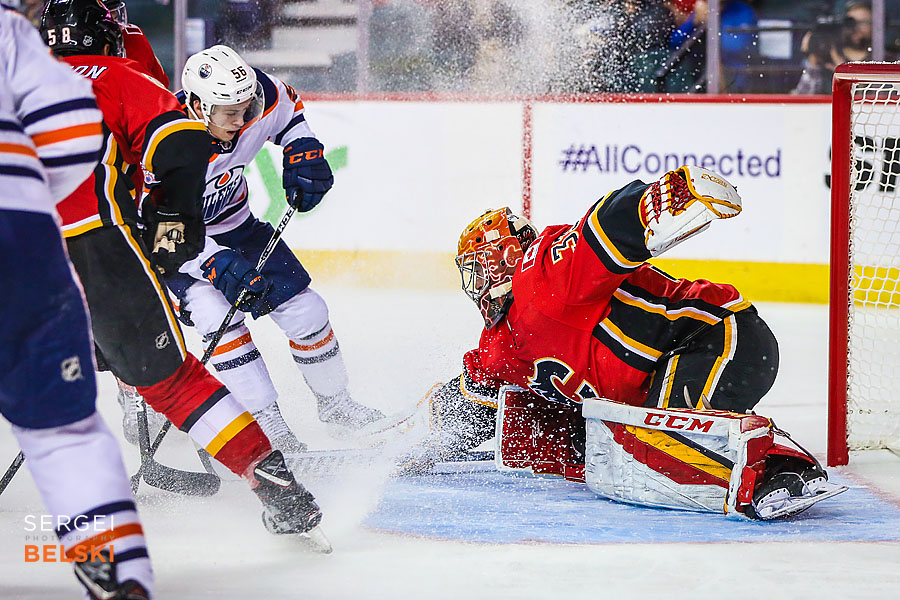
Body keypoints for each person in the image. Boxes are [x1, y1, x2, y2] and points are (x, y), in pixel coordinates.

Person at [400, 165, 845, 520]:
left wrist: (658, 201)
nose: (473, 284)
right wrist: (415, 440)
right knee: (626, 450)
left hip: (719, 338)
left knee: (657, 445)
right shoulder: (501, 342)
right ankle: (745, 447)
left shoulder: (540, 274)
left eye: (477, 269)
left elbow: (602, 232)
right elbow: (474, 395)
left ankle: (784, 469)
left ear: (502, 262)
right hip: (670, 369)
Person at [38, 0, 326, 543]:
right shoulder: (120, 72)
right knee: (172, 379)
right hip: (96, 247)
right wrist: (179, 232)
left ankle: (126, 394)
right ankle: (273, 482)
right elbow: (178, 145)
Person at [151, 44, 386, 455]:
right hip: (178, 252)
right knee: (218, 318)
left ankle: (338, 407)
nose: (243, 121)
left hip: (238, 227)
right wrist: (210, 262)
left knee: (307, 309)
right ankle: (270, 430)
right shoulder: (163, 145)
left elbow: (288, 110)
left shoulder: (255, 96)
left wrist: (302, 147)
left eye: (248, 108)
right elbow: (159, 234)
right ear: (196, 106)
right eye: (230, 113)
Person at [1, 6, 153, 598]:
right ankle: (119, 570)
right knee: (64, 434)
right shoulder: (11, 32)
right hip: (25, 239)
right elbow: (71, 134)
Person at [792, 1, 873, 95]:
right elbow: (803, 98)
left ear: (874, 25)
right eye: (851, 22)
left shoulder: (882, 58)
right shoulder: (828, 57)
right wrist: (813, 59)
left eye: (862, 22)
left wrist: (843, 75)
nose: (856, 28)